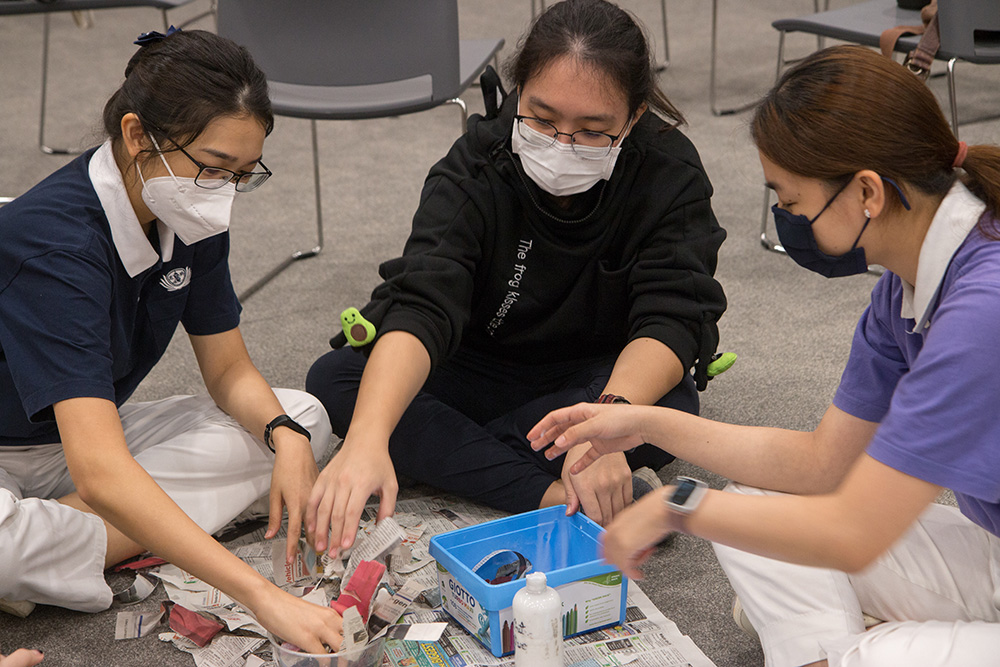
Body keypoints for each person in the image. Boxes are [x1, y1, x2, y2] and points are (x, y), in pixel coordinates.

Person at [528, 45, 1000, 667]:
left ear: (867, 193)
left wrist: (678, 505)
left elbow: (856, 533)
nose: (786, 219)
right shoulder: (904, 291)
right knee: (755, 507)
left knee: (875, 652)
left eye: (792, 203)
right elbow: (822, 464)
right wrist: (643, 422)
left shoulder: (982, 307)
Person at [305, 0, 726, 556]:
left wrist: (603, 423)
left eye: (593, 130)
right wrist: (365, 440)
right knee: (338, 380)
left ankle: (462, 455)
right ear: (518, 91)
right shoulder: (479, 163)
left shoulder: (668, 172)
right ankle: (554, 494)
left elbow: (672, 317)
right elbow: (423, 299)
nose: (561, 144)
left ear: (635, 115)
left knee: (671, 403)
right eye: (542, 119)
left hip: (595, 381)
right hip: (475, 364)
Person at [0, 29, 342, 652]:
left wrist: (284, 436)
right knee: (9, 545)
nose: (224, 192)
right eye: (213, 167)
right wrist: (262, 596)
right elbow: (100, 471)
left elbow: (228, 369)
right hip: (37, 447)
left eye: (243, 174)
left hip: (83, 437)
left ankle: (67, 545)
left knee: (305, 419)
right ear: (137, 136)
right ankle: (76, 540)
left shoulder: (187, 210)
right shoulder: (55, 246)